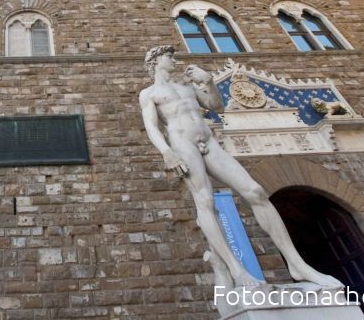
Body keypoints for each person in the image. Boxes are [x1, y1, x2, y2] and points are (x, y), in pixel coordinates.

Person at [138, 45, 342, 288]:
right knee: (205, 201)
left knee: (255, 192)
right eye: (169, 57)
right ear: (156, 61)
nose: (174, 60)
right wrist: (167, 152)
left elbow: (215, 105)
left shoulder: (187, 85)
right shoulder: (149, 94)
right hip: (182, 143)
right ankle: (237, 271)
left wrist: (209, 81)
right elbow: (151, 126)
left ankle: (297, 264)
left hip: (208, 140)